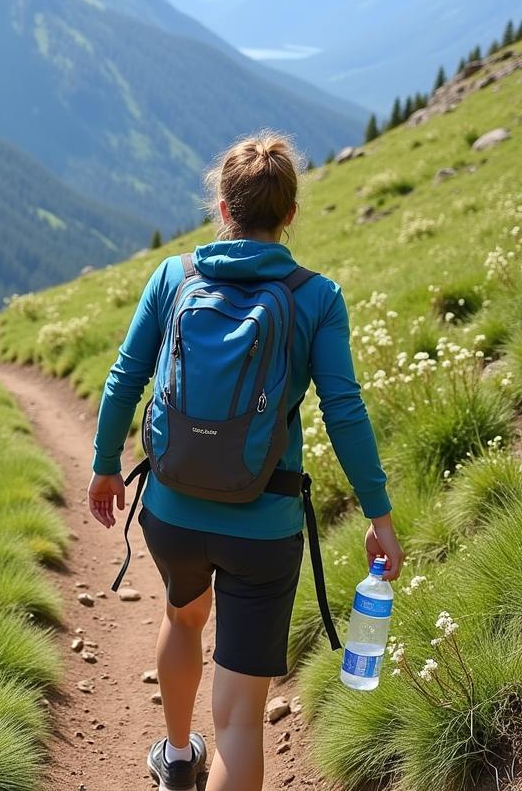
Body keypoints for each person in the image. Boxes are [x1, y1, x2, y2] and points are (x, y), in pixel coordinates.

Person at [87, 132, 404, 791]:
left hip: (172, 510)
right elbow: (345, 412)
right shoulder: (317, 298)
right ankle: (205, 751)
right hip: (263, 527)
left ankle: (176, 758)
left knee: (182, 617)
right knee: (238, 724)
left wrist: (105, 465)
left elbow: (124, 377)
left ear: (223, 209)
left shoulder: (173, 276)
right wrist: (379, 513)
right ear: (289, 216)